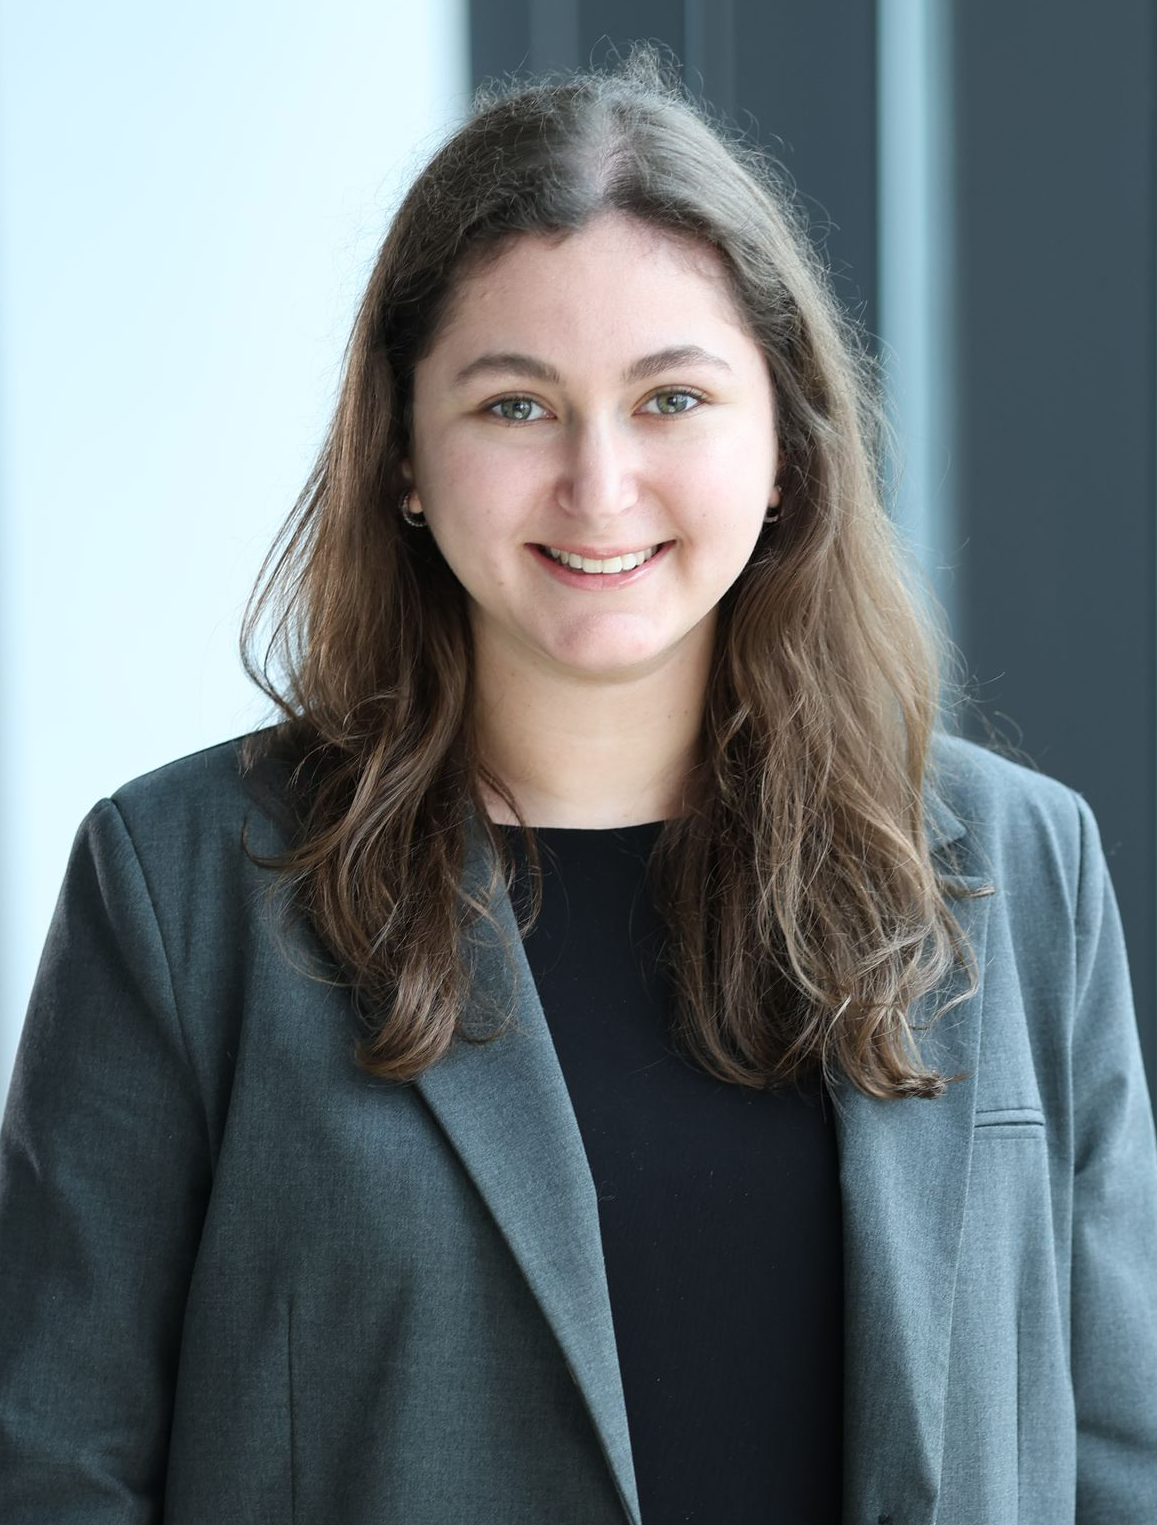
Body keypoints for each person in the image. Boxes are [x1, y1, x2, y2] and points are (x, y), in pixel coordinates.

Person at [1, 42, 1155, 1525]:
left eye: (671, 399)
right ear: (403, 455)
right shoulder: (181, 888)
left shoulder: (1019, 866)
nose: (600, 486)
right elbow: (56, 1470)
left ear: (786, 448)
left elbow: (1116, 1453)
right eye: (516, 406)